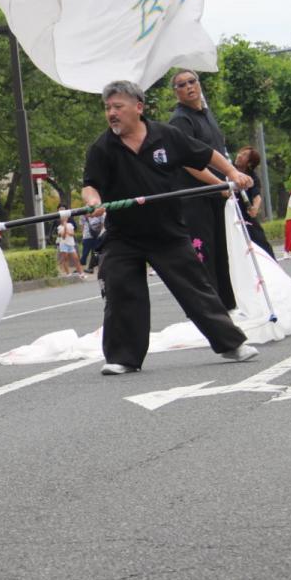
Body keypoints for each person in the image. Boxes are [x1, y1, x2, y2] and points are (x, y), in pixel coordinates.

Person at [81, 80, 257, 376]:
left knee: (196, 290)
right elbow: (90, 186)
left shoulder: (166, 136)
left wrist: (231, 172)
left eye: (118, 107)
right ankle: (123, 357)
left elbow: (204, 154)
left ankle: (231, 344)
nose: (111, 113)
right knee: (122, 291)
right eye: (107, 108)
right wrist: (94, 201)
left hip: (167, 231)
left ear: (138, 108)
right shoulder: (102, 148)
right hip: (123, 235)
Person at [167, 69, 235, 308]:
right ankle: (208, 308)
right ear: (176, 92)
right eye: (181, 84)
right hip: (196, 197)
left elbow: (218, 153)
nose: (188, 87)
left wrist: (229, 178)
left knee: (222, 250)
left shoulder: (206, 114)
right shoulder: (180, 120)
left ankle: (227, 304)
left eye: (192, 81)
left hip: (218, 194)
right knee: (203, 251)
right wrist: (219, 184)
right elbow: (188, 162)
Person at [233, 147, 274, 257]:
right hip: (229, 213)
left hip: (245, 214)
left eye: (245, 155)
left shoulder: (253, 177)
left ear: (250, 163)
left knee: (261, 241)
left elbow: (257, 196)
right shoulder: (228, 169)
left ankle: (272, 266)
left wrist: (255, 207)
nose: (240, 155)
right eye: (241, 152)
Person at [55, 205, 87, 278]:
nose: (65, 219)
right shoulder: (59, 227)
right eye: (63, 218)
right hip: (63, 245)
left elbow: (72, 234)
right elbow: (63, 236)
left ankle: (81, 273)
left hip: (71, 244)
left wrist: (67, 229)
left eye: (66, 217)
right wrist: (65, 227)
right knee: (65, 259)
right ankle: (68, 274)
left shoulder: (70, 224)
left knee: (76, 259)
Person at [80, 205, 105, 271]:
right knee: (84, 254)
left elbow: (102, 224)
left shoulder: (99, 210)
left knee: (94, 253)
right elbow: (82, 225)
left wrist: (100, 234)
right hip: (87, 236)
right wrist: (83, 235)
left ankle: (90, 268)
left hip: (97, 236)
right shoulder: (83, 212)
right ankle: (80, 268)